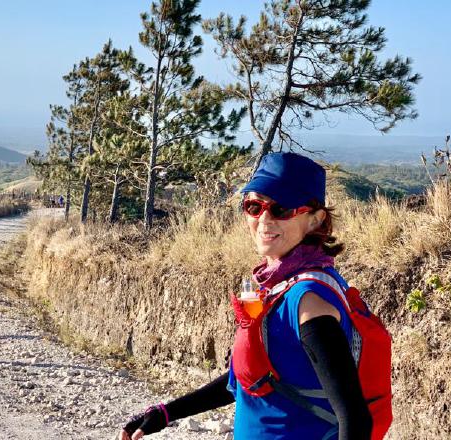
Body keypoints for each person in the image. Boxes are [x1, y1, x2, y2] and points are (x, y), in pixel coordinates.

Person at [119, 152, 391, 440]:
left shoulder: (308, 302)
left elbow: (355, 419)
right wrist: (166, 412)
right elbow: (254, 379)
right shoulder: (281, 285)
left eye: (281, 208)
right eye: (254, 206)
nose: (264, 219)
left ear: (315, 220)